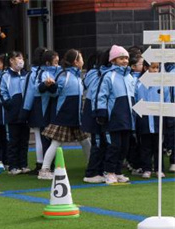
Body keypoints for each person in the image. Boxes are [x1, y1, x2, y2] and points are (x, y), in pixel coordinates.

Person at [38, 49, 90, 180]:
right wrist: (49, 85)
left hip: (76, 117)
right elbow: (55, 92)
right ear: (75, 62)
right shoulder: (64, 75)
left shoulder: (78, 76)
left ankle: (92, 167)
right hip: (64, 116)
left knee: (85, 141)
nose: (83, 61)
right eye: (81, 58)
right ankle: (44, 170)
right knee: (56, 143)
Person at [96, 45, 136, 184]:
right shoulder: (108, 76)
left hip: (127, 118)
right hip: (113, 118)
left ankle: (118, 171)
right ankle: (109, 172)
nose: (125, 61)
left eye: (126, 58)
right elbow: (102, 95)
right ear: (113, 60)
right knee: (114, 146)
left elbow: (133, 97)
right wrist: (101, 112)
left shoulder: (130, 77)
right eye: (121, 58)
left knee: (124, 146)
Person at [81, 49, 110, 183]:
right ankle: (92, 172)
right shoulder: (100, 74)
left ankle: (99, 170)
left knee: (100, 142)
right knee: (98, 142)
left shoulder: (92, 73)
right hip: (95, 111)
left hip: (93, 109)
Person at [135, 61, 168, 178]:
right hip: (144, 119)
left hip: (158, 119)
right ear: (145, 68)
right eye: (152, 68)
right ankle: (147, 169)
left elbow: (167, 101)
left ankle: (159, 169)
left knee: (158, 146)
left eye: (157, 68)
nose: (155, 70)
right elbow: (136, 100)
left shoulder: (162, 84)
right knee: (145, 146)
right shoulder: (139, 84)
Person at [0, 50, 30, 174]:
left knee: (24, 140)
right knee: (13, 140)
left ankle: (23, 164)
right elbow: (1, 93)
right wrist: (9, 104)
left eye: (22, 58)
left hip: (25, 113)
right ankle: (13, 166)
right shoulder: (5, 76)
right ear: (11, 60)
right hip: (12, 113)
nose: (21, 61)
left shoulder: (26, 74)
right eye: (18, 58)